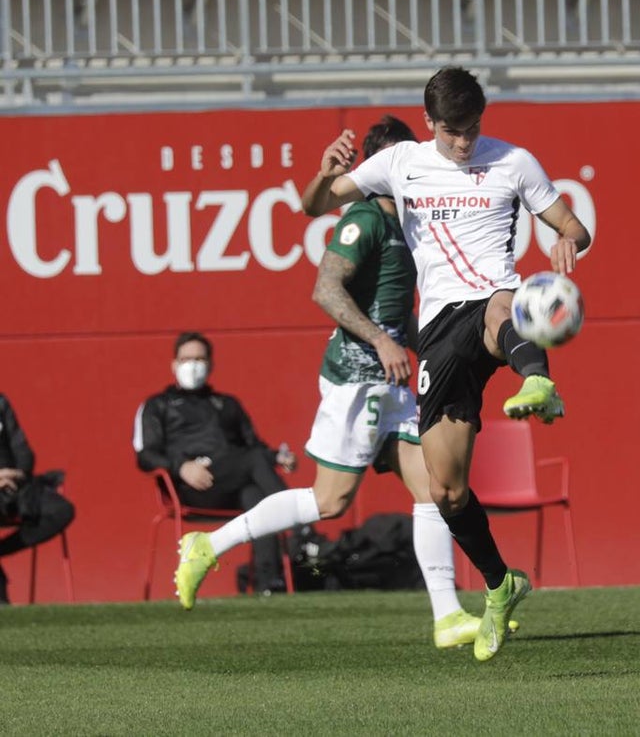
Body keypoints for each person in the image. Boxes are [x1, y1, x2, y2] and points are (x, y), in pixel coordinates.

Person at [173, 115, 513, 649]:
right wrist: (381, 341)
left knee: (431, 488)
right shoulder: (365, 219)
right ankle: (207, 545)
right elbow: (325, 288)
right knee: (329, 501)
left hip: (395, 380)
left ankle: (447, 616)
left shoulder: (411, 220)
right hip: (358, 380)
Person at [299, 67, 592, 662]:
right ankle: (500, 584)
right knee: (445, 489)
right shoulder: (399, 162)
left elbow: (572, 224)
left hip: (490, 302)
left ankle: (538, 380)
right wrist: (324, 173)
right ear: (430, 122)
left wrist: (568, 240)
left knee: (501, 307)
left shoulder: (512, 161)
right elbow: (313, 207)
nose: (465, 141)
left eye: (474, 128)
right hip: (435, 333)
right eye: (454, 131)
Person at [134, 332, 298, 595]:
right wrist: (181, 466)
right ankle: (302, 529)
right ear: (174, 364)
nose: (193, 365)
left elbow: (253, 447)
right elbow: (145, 455)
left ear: (210, 365)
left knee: (256, 496)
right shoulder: (157, 405)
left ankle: (269, 584)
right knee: (255, 464)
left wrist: (277, 457)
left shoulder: (227, 404)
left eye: (199, 359)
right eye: (187, 359)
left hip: (231, 487)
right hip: (189, 489)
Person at [0, 393, 75, 605]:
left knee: (62, 510)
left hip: (14, 485)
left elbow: (22, 450)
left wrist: (16, 473)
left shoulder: (1, 402)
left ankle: (2, 550)